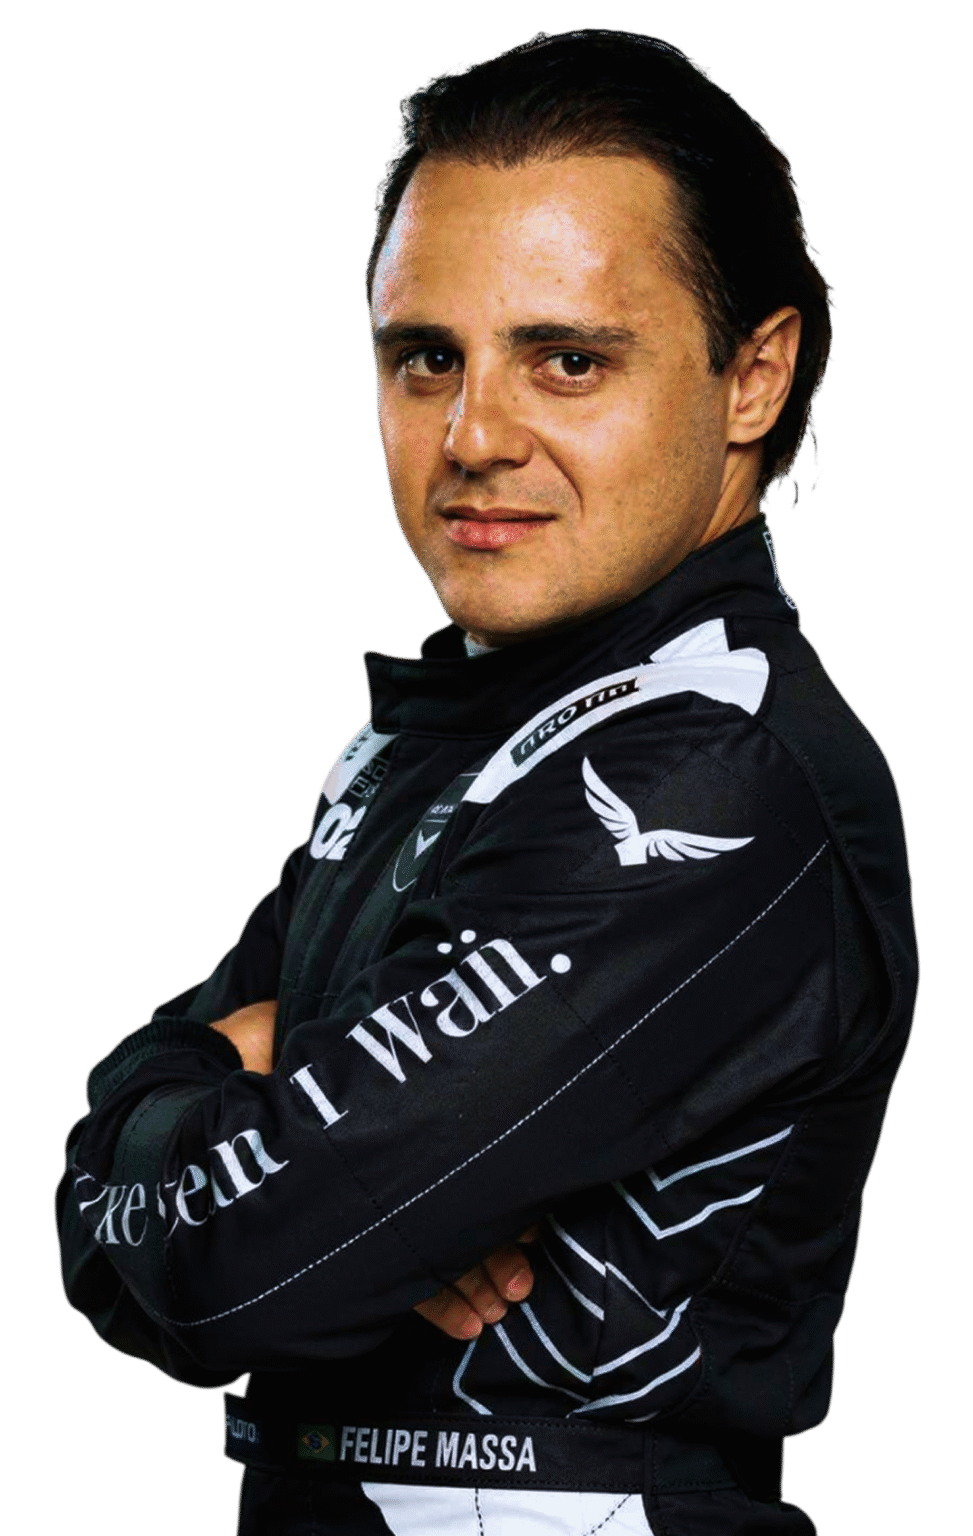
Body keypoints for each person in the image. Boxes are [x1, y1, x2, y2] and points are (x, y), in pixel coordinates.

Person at [55, 28, 917, 1536]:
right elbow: (143, 1203)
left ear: (753, 377)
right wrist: (226, 1112)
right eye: (426, 359)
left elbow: (228, 1267)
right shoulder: (419, 739)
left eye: (567, 360)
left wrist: (269, 1108)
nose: (472, 438)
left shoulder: (717, 762)